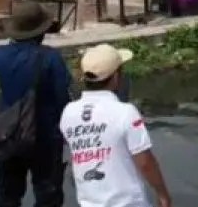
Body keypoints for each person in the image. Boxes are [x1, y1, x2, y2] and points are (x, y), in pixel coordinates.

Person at [60, 44, 172, 207]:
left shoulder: (68, 112)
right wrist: (163, 195)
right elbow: (145, 162)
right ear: (115, 77)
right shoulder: (126, 112)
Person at [0, 1, 73, 207]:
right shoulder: (51, 57)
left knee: (7, 194)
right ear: (41, 31)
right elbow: (62, 98)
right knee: (48, 195)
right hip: (45, 137)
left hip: (10, 134)